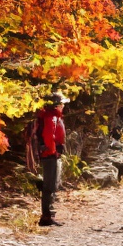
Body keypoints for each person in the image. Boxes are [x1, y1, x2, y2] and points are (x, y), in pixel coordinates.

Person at [32, 92, 69, 227]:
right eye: (61, 103)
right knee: (49, 185)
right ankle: (46, 217)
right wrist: (54, 151)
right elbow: (49, 135)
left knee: (51, 185)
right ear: (56, 105)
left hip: (50, 154)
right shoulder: (51, 117)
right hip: (49, 155)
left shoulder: (51, 116)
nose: (63, 106)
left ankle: (48, 215)